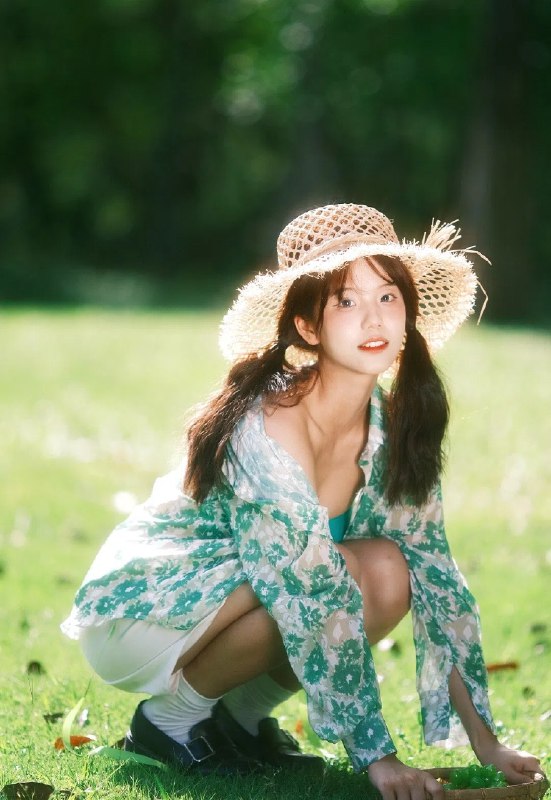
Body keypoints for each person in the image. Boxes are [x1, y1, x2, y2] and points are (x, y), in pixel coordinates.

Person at [62, 204, 544, 796]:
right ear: (308, 327)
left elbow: (436, 578)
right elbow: (307, 587)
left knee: (390, 570)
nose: (373, 317)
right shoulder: (269, 424)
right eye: (346, 301)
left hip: (240, 599)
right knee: (321, 573)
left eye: (387, 296)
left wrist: (487, 743)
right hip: (143, 612)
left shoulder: (394, 430)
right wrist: (378, 757)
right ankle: (169, 721)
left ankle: (239, 719)